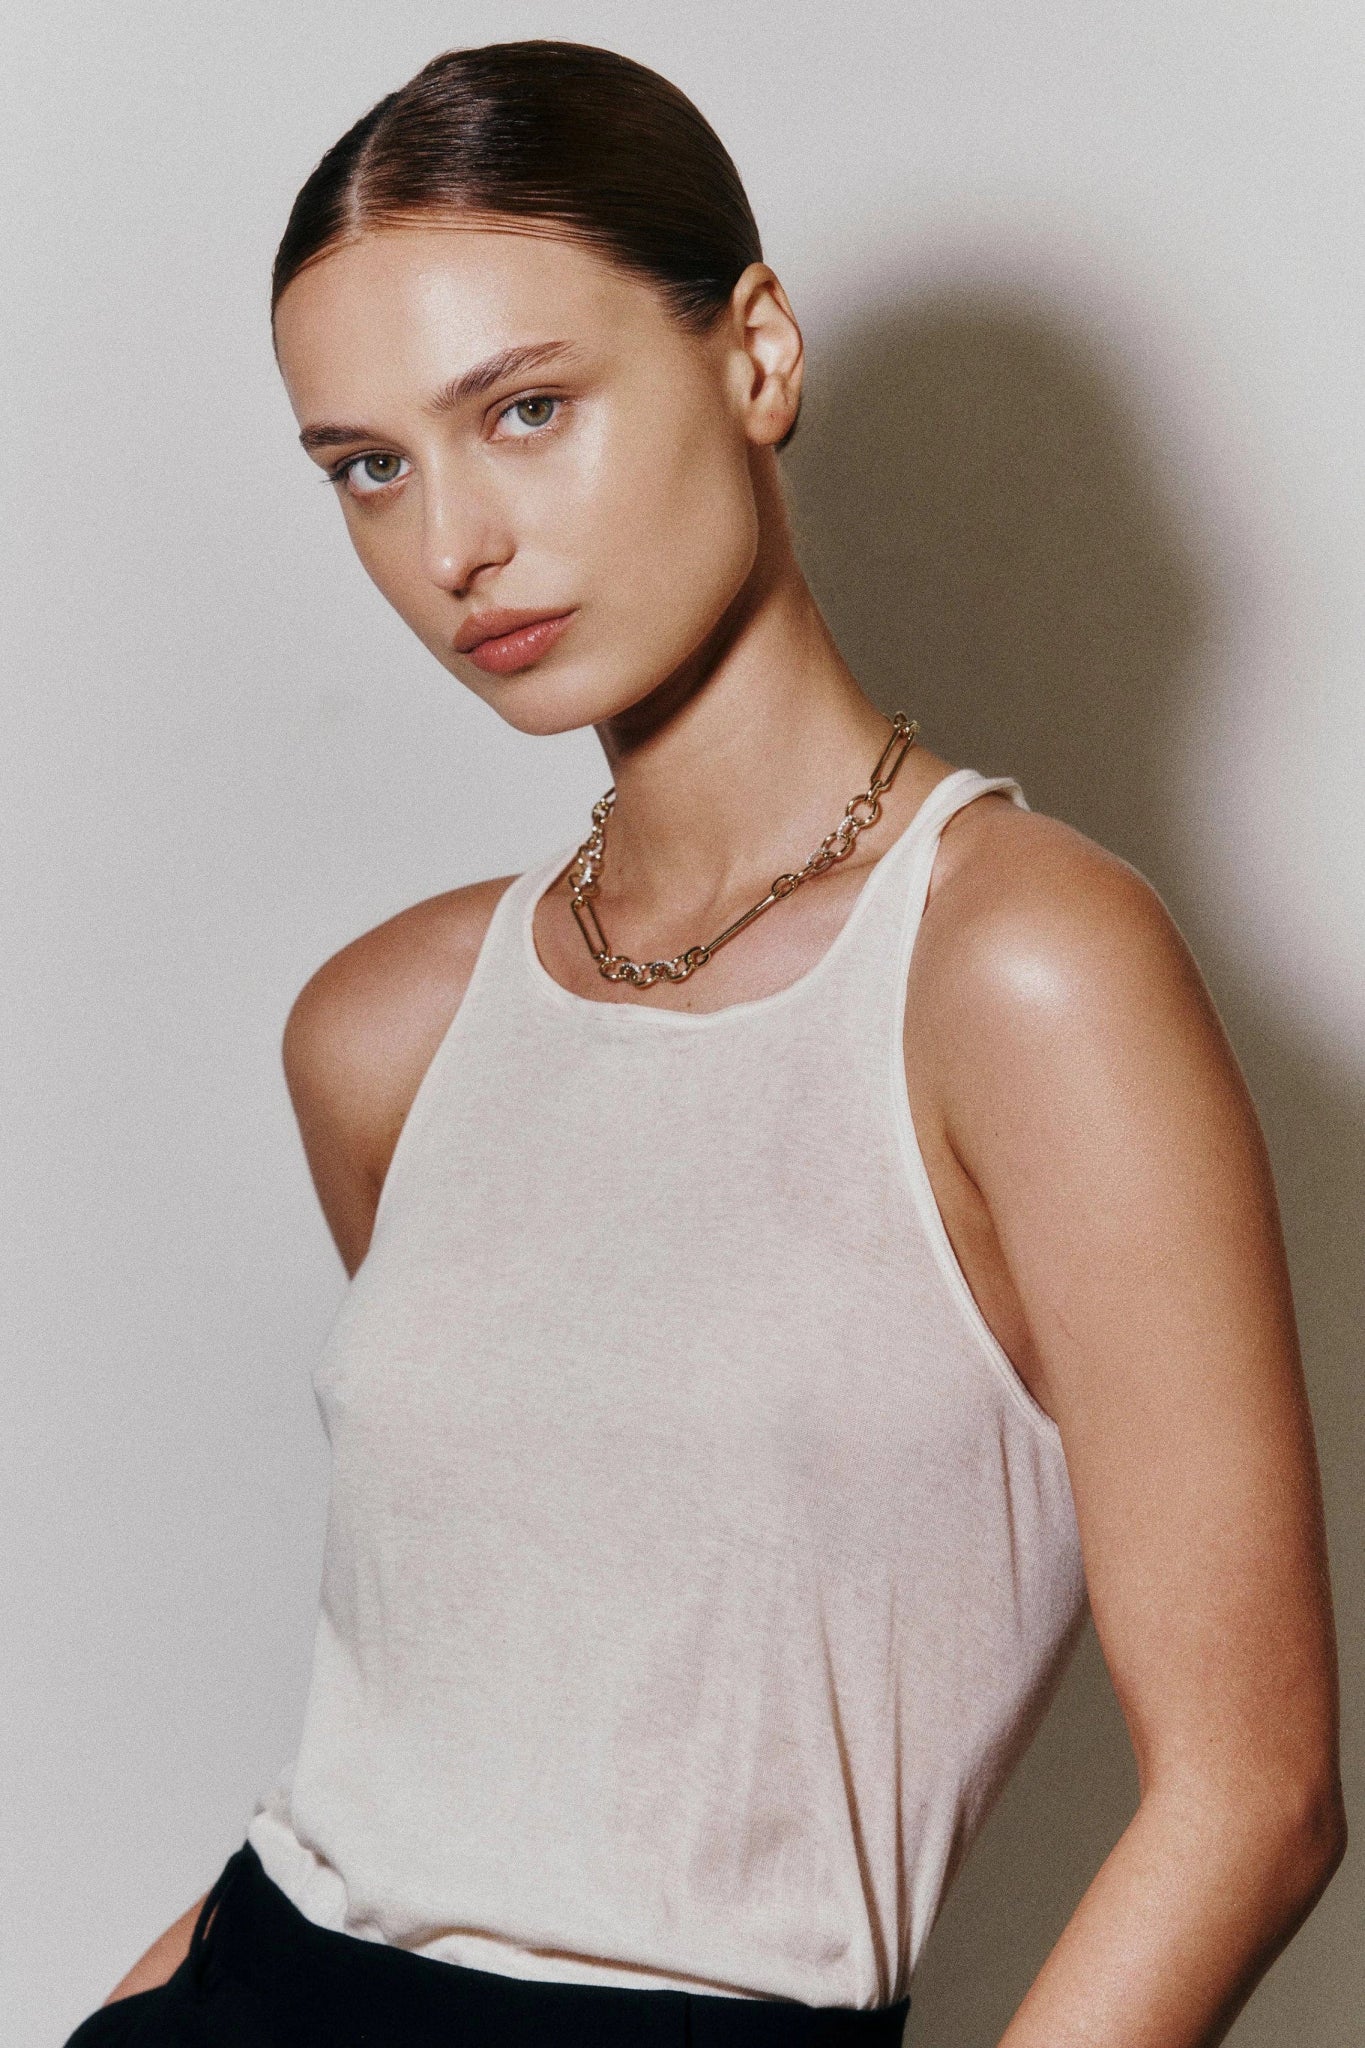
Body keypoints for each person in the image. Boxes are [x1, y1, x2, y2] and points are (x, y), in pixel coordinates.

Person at [68, 37, 1345, 2048]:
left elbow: (1249, 1799)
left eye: (526, 409)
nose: (451, 543)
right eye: (368, 468)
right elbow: (444, 1734)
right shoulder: (386, 1029)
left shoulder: (1024, 972)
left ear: (753, 355)